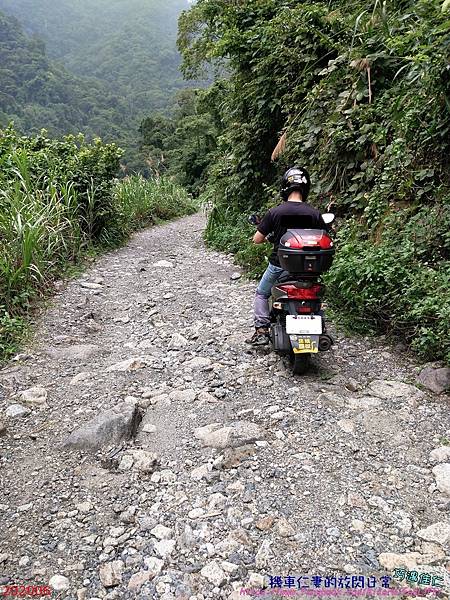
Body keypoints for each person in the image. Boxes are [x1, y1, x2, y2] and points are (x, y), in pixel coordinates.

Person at [245, 166, 328, 346]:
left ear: (285, 187)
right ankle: (320, 326)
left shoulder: (275, 212)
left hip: (278, 265)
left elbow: (257, 239)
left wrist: (270, 236)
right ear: (305, 189)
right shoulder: (314, 213)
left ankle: (261, 330)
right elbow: (325, 235)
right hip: (309, 269)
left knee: (261, 294)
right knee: (316, 296)